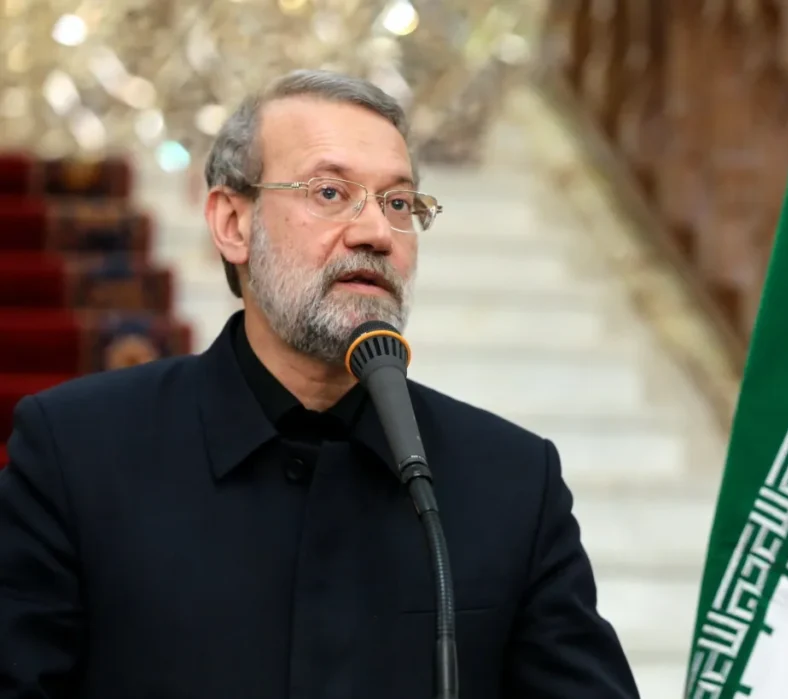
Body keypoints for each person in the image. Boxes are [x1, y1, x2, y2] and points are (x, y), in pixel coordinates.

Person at [0, 70, 640, 699]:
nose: (376, 233)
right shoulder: (77, 454)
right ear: (233, 224)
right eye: (330, 192)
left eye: (398, 203)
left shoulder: (511, 481)